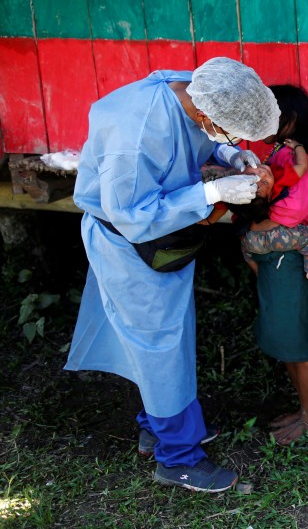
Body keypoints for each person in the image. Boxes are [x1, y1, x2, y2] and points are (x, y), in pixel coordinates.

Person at [67, 57, 279, 492]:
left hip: (163, 240)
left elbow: (203, 138)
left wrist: (232, 153)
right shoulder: (136, 133)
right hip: (130, 242)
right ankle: (178, 458)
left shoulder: (190, 88)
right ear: (207, 114)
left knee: (167, 341)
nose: (235, 139)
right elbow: (130, 214)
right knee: (158, 347)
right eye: (231, 132)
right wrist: (212, 191)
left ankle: (158, 427)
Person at [235, 85, 308, 444]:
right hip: (274, 258)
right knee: (286, 338)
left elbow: (294, 212)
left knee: (297, 342)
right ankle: (307, 410)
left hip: (288, 260)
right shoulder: (278, 154)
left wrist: (257, 223)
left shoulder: (290, 158)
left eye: (265, 113)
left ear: (287, 120)